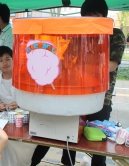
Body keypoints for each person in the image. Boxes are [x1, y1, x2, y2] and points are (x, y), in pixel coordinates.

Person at [30, 0, 126, 166]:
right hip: (76, 96)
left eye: (94, 17)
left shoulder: (114, 34)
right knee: (68, 138)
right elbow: (65, 63)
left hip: (101, 99)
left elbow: (111, 65)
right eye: (86, 17)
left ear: (104, 16)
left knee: (98, 146)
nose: (89, 21)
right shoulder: (79, 35)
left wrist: (83, 62)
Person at [0, 46, 18, 111]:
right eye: (1, 60)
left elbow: (31, 98)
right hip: (6, 116)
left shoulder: (22, 79)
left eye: (7, 59)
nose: (5, 63)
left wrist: (20, 104)